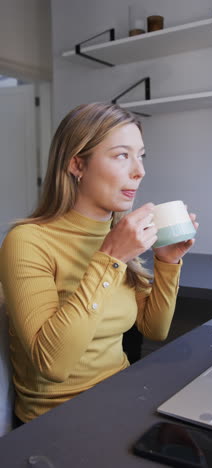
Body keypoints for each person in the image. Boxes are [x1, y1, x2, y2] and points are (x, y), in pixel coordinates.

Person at [0, 102, 198, 424]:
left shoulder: (113, 236)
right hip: (56, 422)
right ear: (77, 164)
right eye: (122, 155)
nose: (139, 170)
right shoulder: (27, 241)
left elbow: (155, 328)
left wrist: (167, 261)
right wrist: (111, 258)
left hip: (121, 397)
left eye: (141, 155)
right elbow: (52, 365)